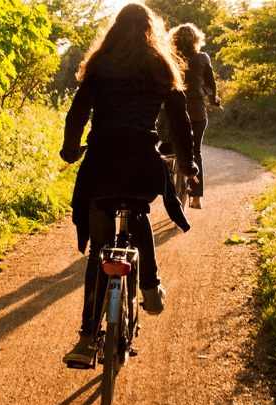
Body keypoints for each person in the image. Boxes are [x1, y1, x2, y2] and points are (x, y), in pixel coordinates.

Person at [58, 3, 197, 367]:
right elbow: (180, 123)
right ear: (153, 31)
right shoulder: (161, 66)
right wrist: (187, 164)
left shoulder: (100, 64)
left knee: (98, 251)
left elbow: (77, 114)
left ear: (114, 29)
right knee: (138, 210)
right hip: (141, 163)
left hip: (101, 162)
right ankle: (149, 288)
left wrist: (71, 150)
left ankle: (87, 338)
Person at [169, 23, 220, 209]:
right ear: (196, 40)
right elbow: (211, 84)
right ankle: (197, 197)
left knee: (168, 148)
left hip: (172, 113)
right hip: (196, 112)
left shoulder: (170, 58)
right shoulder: (202, 58)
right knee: (195, 151)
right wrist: (213, 98)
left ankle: (167, 177)